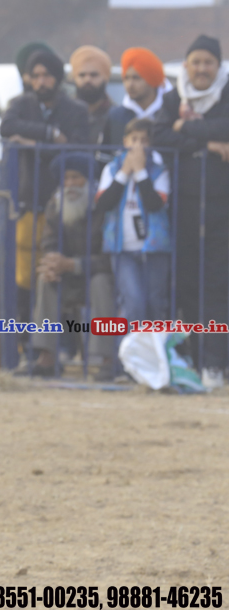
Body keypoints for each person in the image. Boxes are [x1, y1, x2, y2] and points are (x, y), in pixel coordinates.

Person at [153, 34, 229, 387]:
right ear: (186, 65)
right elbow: (159, 134)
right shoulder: (174, 98)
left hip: (222, 209)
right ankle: (196, 359)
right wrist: (209, 143)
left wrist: (185, 126)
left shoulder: (225, 94)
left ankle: (216, 362)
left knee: (217, 286)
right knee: (187, 285)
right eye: (196, 62)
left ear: (218, 66)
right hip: (183, 209)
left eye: (208, 62)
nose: (201, 69)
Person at [1, 50, 90, 327]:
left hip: (66, 201)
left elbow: (75, 149)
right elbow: (7, 127)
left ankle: (63, 339)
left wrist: (32, 144)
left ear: (58, 78)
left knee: (59, 270)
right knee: (26, 273)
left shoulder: (76, 110)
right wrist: (50, 135)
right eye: (36, 75)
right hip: (29, 200)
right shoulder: (20, 104)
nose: (41, 81)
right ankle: (25, 334)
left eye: (47, 75)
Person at [27, 154, 116, 380]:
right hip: (67, 277)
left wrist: (74, 265)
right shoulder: (55, 204)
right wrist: (51, 263)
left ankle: (108, 358)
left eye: (76, 178)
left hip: (98, 274)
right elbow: (48, 242)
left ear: (89, 180)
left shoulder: (103, 205)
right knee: (46, 280)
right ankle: (47, 356)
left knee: (100, 283)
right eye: (65, 179)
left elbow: (110, 259)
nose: (70, 184)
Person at [93, 119, 170, 326]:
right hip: (122, 248)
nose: (138, 146)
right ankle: (131, 346)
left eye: (144, 140)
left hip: (154, 248)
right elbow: (104, 203)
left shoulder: (159, 170)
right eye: (134, 139)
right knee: (133, 301)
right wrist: (125, 172)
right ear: (125, 141)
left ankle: (154, 345)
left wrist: (141, 171)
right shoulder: (111, 169)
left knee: (155, 302)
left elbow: (155, 204)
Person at [104, 48, 168, 148]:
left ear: (151, 79)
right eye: (126, 78)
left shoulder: (169, 113)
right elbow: (106, 153)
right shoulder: (116, 116)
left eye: (136, 78)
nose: (130, 85)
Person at [70, 45, 115, 148]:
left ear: (105, 78)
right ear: (74, 78)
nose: (87, 80)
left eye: (94, 75)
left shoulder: (115, 116)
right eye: (82, 75)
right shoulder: (64, 112)